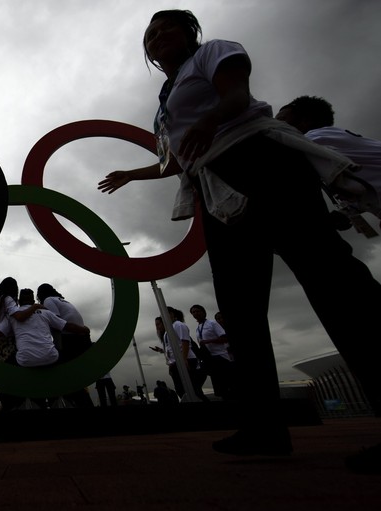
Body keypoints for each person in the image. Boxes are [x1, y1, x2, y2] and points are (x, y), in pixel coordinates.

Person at [97, 9, 381, 461]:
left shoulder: (215, 52)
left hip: (262, 164)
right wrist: (131, 174)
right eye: (150, 34)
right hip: (217, 189)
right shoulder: (164, 100)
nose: (157, 37)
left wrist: (210, 124)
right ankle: (264, 429)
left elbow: (237, 98)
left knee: (334, 286)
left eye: (167, 27)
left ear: (190, 33)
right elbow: (178, 158)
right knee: (240, 311)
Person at [276, 95, 381, 234]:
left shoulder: (314, 138)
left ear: (306, 120)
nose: (275, 125)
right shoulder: (329, 144)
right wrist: (347, 212)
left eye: (281, 120)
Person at [0, 277, 40, 411]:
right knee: (14, 377)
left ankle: (7, 406)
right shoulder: (7, 299)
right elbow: (17, 316)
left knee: (2, 380)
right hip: (6, 343)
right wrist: (35, 306)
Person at [36, 283, 95, 408]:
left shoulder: (48, 301)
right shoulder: (63, 301)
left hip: (70, 339)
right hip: (82, 339)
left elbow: (56, 323)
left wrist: (57, 347)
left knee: (64, 376)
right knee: (75, 378)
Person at [189, 304, 234, 400]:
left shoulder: (212, 323)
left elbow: (224, 338)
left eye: (197, 311)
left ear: (203, 312)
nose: (195, 313)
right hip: (209, 359)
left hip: (221, 357)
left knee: (226, 387)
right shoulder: (198, 329)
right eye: (193, 312)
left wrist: (208, 341)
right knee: (218, 388)